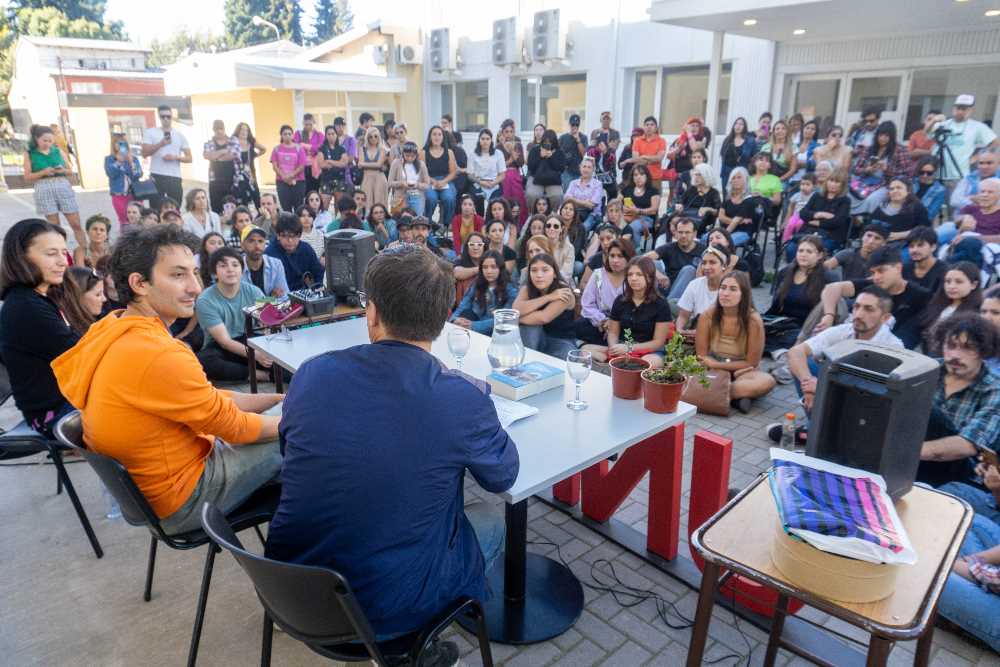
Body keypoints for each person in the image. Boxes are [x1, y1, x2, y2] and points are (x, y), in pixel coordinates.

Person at [266, 245, 515, 655]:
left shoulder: (311, 374)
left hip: (290, 592)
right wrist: (475, 405)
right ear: (443, 319)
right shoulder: (461, 399)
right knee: (489, 521)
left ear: (373, 312)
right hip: (384, 615)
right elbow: (502, 476)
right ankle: (424, 652)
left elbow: (290, 450)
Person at [51, 224, 282, 536]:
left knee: (287, 421)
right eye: (178, 275)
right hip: (183, 498)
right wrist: (302, 419)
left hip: (152, 489)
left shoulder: (111, 326)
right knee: (315, 435)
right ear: (140, 283)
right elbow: (235, 428)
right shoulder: (158, 353)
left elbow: (208, 401)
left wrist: (278, 401)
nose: (196, 287)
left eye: (195, 273)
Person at [0, 220, 79, 436]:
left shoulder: (33, 299)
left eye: (64, 252)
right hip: (54, 415)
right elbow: (82, 353)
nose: (63, 261)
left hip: (64, 403)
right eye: (51, 253)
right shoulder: (25, 306)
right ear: (21, 257)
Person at [784, 286, 902, 417]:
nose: (859, 314)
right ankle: (815, 424)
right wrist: (808, 385)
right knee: (806, 364)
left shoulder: (893, 347)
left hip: (865, 407)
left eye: (868, 309)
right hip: (837, 388)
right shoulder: (844, 330)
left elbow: (877, 393)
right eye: (857, 307)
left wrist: (822, 387)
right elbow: (796, 352)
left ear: (885, 318)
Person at [917, 314, 1000, 487]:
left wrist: (902, 452)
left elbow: (968, 445)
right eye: (951, 345)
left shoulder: (994, 389)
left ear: (983, 351)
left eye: (967, 348)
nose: (955, 355)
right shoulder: (927, 370)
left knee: (931, 412)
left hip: (960, 472)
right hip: (913, 459)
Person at [817, 246, 932, 349]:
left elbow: (907, 339)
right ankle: (807, 342)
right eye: (873, 272)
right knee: (829, 302)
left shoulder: (920, 296)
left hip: (889, 350)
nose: (876, 277)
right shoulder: (873, 284)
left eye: (881, 271)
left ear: (898, 268)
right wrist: (829, 315)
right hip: (852, 338)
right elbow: (831, 289)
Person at [696, 271, 775, 412]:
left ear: (743, 294)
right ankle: (735, 398)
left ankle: (708, 395)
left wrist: (718, 365)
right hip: (711, 367)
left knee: (767, 381)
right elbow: (701, 354)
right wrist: (713, 365)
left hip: (741, 370)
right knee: (676, 369)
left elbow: (752, 362)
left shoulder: (753, 320)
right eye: (723, 287)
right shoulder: (707, 315)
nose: (725, 293)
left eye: (733, 289)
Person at [195, 247, 273, 382]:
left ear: (242, 270)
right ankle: (262, 375)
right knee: (204, 361)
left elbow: (269, 321)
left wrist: (268, 345)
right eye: (223, 266)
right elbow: (225, 342)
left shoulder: (254, 291)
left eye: (235, 264)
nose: (230, 269)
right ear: (214, 273)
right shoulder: (204, 300)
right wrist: (257, 355)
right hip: (222, 347)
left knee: (280, 358)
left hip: (251, 339)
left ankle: (250, 370)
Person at [584, 256, 672, 368]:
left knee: (647, 363)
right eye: (630, 274)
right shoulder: (620, 300)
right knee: (584, 350)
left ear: (649, 277)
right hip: (621, 348)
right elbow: (613, 332)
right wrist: (614, 348)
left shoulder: (661, 305)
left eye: (639, 274)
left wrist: (629, 348)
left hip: (649, 351)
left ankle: (611, 367)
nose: (633, 278)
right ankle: (613, 363)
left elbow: (658, 342)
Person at [765, 235, 833, 353]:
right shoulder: (785, 272)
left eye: (809, 251)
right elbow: (775, 306)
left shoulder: (827, 277)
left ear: (820, 255)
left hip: (805, 328)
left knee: (792, 339)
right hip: (781, 323)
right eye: (800, 250)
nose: (803, 254)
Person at [22, 125, 86, 250]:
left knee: (76, 224)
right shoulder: (29, 154)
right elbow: (27, 176)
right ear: (36, 138)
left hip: (62, 185)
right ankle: (62, 254)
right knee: (54, 227)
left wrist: (62, 170)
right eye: (44, 140)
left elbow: (70, 171)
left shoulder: (58, 150)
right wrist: (43, 172)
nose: (48, 143)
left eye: (50, 140)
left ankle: (86, 253)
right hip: (43, 187)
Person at [515, 253, 578, 358]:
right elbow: (516, 309)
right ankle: (526, 362)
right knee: (531, 327)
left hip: (560, 341)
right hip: (534, 338)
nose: (539, 275)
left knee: (566, 358)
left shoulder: (564, 291)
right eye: (534, 270)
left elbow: (544, 317)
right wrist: (549, 297)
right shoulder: (527, 288)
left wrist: (516, 319)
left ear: (555, 274)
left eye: (545, 270)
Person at [576, 238, 633, 346]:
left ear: (629, 257)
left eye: (620, 256)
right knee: (579, 326)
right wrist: (603, 321)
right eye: (612, 256)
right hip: (599, 324)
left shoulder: (633, 278)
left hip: (624, 325)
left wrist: (614, 323)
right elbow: (587, 304)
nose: (615, 260)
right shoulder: (598, 274)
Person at [932, 94, 999, 182]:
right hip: (935, 173)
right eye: (958, 108)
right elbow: (928, 136)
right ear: (953, 108)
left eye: (964, 109)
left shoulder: (977, 126)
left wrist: (977, 157)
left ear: (971, 110)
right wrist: (933, 120)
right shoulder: (944, 124)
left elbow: (995, 142)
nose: (960, 111)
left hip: (959, 175)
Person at [450, 249, 518, 335]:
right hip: (473, 328)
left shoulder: (510, 289)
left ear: (500, 268)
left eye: (493, 267)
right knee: (465, 314)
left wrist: (473, 326)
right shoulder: (476, 284)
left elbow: (504, 319)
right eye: (485, 267)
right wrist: (454, 320)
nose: (489, 271)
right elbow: (462, 306)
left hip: (497, 332)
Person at [921, 262, 983, 351]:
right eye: (948, 281)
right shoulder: (936, 304)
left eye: (959, 282)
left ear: (974, 285)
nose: (951, 286)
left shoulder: (978, 313)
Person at [141, 105, 191, 208]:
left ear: (172, 116)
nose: (166, 119)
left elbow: (190, 158)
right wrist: (161, 144)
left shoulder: (179, 135)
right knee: (155, 209)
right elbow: (144, 153)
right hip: (157, 175)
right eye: (162, 116)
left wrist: (175, 157)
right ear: (159, 117)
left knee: (175, 208)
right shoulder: (151, 132)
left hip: (174, 177)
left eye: (168, 116)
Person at [794, 167, 850, 256]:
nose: (833, 184)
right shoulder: (817, 195)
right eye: (831, 180)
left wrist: (818, 223)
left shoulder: (845, 201)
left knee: (815, 250)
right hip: (808, 232)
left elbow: (838, 221)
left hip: (830, 236)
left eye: (837, 182)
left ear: (842, 185)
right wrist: (819, 214)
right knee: (792, 248)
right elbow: (803, 213)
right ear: (827, 181)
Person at [675, 244, 730, 333]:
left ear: (724, 265)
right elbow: (683, 316)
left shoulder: (731, 289)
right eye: (704, 263)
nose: (706, 267)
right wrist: (680, 330)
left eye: (712, 262)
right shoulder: (695, 284)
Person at [648, 217, 705, 301]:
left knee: (689, 269)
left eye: (687, 232)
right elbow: (642, 259)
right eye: (680, 232)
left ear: (694, 234)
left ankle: (668, 306)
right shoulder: (669, 247)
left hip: (688, 292)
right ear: (675, 233)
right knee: (653, 263)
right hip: (667, 285)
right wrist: (658, 275)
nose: (683, 236)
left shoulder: (703, 250)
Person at [266, 212, 323, 292]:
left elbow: (319, 273)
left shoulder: (306, 249)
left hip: (305, 295)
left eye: (293, 236)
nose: (290, 240)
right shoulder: (269, 254)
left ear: (300, 235)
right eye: (285, 236)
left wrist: (316, 291)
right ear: (278, 235)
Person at [939, 178, 1000, 246]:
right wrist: (963, 219)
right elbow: (956, 220)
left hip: (989, 248)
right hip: (962, 245)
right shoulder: (971, 208)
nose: (985, 195)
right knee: (948, 226)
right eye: (982, 191)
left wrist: (972, 239)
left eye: (990, 192)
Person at [871, 177, 930, 245]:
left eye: (899, 188)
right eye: (891, 189)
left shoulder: (917, 208)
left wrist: (901, 235)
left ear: (908, 191)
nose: (894, 191)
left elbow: (925, 230)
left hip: (903, 245)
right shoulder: (881, 206)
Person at [420, 126, 458, 227]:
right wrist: (433, 181)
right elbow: (422, 173)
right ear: (430, 137)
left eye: (439, 134)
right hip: (429, 180)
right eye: (434, 134)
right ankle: (427, 224)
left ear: (443, 137)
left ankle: (446, 224)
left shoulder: (449, 152)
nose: (437, 137)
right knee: (430, 198)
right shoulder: (423, 152)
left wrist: (443, 181)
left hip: (446, 180)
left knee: (449, 198)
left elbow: (453, 172)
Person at [824, 222, 888, 281]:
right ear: (862, 237)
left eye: (877, 238)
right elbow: (825, 266)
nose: (870, 241)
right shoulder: (848, 254)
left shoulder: (886, 262)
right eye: (869, 236)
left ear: (884, 243)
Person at [104, 132, 143, 226]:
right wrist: (118, 162)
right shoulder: (109, 159)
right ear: (113, 145)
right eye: (118, 143)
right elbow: (111, 174)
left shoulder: (133, 158)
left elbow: (138, 174)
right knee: (124, 221)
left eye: (123, 143)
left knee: (138, 219)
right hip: (119, 195)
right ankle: (126, 239)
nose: (121, 145)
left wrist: (131, 163)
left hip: (135, 194)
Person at [203, 120, 241, 214]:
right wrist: (223, 151)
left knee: (234, 208)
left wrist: (216, 157)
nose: (219, 131)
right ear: (213, 130)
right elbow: (207, 156)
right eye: (216, 129)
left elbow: (234, 155)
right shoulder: (208, 143)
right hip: (215, 181)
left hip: (232, 180)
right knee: (216, 208)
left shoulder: (233, 140)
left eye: (221, 129)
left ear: (224, 129)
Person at [467, 129, 506, 215]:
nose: (485, 141)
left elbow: (502, 175)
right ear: (479, 140)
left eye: (487, 139)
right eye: (483, 139)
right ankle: (481, 223)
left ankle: (492, 223)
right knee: (478, 201)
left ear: (491, 140)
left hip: (494, 183)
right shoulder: (473, 154)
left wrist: (493, 183)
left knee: (495, 204)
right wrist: (481, 182)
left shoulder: (498, 153)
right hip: (478, 182)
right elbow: (469, 175)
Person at [271, 125, 309, 212]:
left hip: (298, 182)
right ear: (281, 136)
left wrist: (291, 176)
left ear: (292, 135)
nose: (287, 136)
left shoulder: (299, 148)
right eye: (285, 134)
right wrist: (284, 177)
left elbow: (302, 166)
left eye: (289, 134)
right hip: (282, 182)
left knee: (299, 207)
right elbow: (275, 166)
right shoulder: (276, 149)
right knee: (286, 208)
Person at [526, 129, 566, 210]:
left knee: (557, 196)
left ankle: (553, 216)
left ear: (554, 142)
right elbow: (530, 167)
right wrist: (540, 156)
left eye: (550, 142)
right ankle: (533, 215)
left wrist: (551, 157)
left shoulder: (559, 152)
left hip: (553, 180)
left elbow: (561, 169)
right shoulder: (535, 150)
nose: (548, 144)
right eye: (546, 142)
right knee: (532, 195)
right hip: (536, 178)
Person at [314, 123, 351, 211]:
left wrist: (330, 161)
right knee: (324, 206)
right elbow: (322, 164)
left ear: (336, 135)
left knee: (339, 206)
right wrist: (338, 163)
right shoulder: (322, 148)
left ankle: (337, 223)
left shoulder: (342, 149)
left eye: (333, 134)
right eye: (329, 134)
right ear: (326, 136)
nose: (331, 136)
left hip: (340, 180)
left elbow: (344, 163)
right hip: (326, 180)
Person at [61, 265, 107, 334]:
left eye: (103, 293)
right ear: (76, 297)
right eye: (98, 294)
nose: (104, 299)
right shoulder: (67, 332)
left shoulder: (103, 319)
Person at [388, 141, 429, 217]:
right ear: (403, 154)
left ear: (416, 155)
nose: (410, 158)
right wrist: (401, 183)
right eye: (407, 155)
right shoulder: (396, 163)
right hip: (400, 198)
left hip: (416, 197)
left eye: (412, 156)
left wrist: (418, 185)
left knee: (416, 220)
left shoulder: (421, 164)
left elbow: (427, 184)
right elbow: (389, 182)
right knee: (400, 221)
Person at [717, 167, 756, 246]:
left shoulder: (749, 200)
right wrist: (741, 222)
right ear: (730, 181)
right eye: (733, 178)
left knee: (723, 243)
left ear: (745, 180)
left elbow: (736, 221)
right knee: (705, 238)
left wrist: (723, 235)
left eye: (739, 177)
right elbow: (721, 217)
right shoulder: (728, 198)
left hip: (743, 232)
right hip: (725, 229)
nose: (736, 180)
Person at [626, 116, 667, 191]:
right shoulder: (637, 141)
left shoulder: (661, 141)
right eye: (647, 125)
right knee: (639, 200)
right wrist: (651, 160)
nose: (649, 127)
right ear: (644, 127)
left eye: (652, 125)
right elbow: (636, 159)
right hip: (640, 177)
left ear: (656, 127)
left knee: (655, 200)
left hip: (655, 177)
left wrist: (644, 156)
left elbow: (659, 158)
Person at [621, 164, 660, 241]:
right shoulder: (627, 189)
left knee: (632, 227)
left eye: (642, 174)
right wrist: (622, 208)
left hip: (646, 219)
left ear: (647, 176)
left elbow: (653, 210)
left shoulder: (653, 191)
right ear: (632, 177)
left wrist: (637, 211)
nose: (638, 177)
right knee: (614, 224)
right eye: (635, 175)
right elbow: (616, 203)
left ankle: (633, 250)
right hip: (627, 216)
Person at [903, 225, 947, 293]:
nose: (914, 250)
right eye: (911, 246)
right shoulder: (904, 269)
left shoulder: (945, 270)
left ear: (933, 247)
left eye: (920, 245)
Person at [233, 122, 265, 208]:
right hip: (237, 176)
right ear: (238, 130)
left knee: (256, 197)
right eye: (242, 129)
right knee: (242, 199)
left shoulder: (251, 142)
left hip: (250, 175)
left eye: (246, 130)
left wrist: (254, 156)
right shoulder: (233, 142)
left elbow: (263, 149)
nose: (244, 132)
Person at [720, 117, 757, 191]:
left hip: (742, 173)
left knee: (740, 196)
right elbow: (722, 155)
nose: (738, 126)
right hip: (727, 172)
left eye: (741, 124)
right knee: (726, 196)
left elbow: (754, 158)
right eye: (736, 123)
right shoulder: (727, 140)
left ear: (745, 127)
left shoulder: (750, 141)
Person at [453, 232, 487, 307]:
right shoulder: (460, 261)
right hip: (463, 304)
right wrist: (481, 269)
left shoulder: (489, 260)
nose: (475, 247)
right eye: (471, 244)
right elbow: (457, 273)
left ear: (484, 247)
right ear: (466, 247)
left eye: (479, 244)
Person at [358, 126, 389, 209]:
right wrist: (376, 165)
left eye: (376, 136)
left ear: (379, 137)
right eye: (370, 136)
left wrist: (365, 164)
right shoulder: (362, 149)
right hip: (367, 178)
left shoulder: (382, 150)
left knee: (380, 204)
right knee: (367, 204)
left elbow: (378, 164)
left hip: (380, 178)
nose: (373, 138)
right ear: (367, 137)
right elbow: (359, 164)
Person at [294, 113, 324, 195]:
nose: (308, 126)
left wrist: (304, 145)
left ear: (314, 122)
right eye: (306, 124)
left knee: (315, 190)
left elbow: (319, 148)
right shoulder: (298, 134)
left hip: (316, 167)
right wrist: (312, 148)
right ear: (303, 123)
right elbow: (297, 148)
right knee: (304, 191)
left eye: (310, 124)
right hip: (302, 167)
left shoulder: (319, 135)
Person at [913, 156, 948, 221]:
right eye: (922, 172)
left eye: (929, 173)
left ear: (935, 172)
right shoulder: (911, 183)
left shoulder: (940, 190)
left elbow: (930, 215)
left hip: (921, 222)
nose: (924, 175)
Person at [543, 214, 576, 284]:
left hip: (561, 284)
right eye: (548, 226)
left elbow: (566, 274)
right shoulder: (539, 245)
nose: (552, 229)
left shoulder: (569, 248)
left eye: (556, 226)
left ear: (561, 229)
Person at [558, 114, 587, 192]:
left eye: (576, 125)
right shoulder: (562, 138)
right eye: (572, 124)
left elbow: (584, 154)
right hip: (566, 172)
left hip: (579, 171)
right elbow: (557, 153)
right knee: (567, 194)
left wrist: (578, 140)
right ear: (569, 124)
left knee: (579, 194)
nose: (574, 126)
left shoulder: (583, 137)